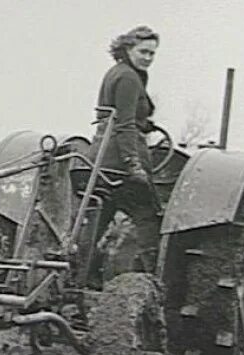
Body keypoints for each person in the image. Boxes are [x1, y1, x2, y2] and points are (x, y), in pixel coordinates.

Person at [86, 25, 162, 285]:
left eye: (153, 53)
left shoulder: (117, 73)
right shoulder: (129, 78)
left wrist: (145, 123)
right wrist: (134, 165)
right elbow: (124, 124)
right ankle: (152, 283)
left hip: (102, 159)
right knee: (150, 218)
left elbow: (115, 116)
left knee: (97, 221)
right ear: (127, 48)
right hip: (120, 160)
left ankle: (85, 279)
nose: (148, 57)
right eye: (143, 51)